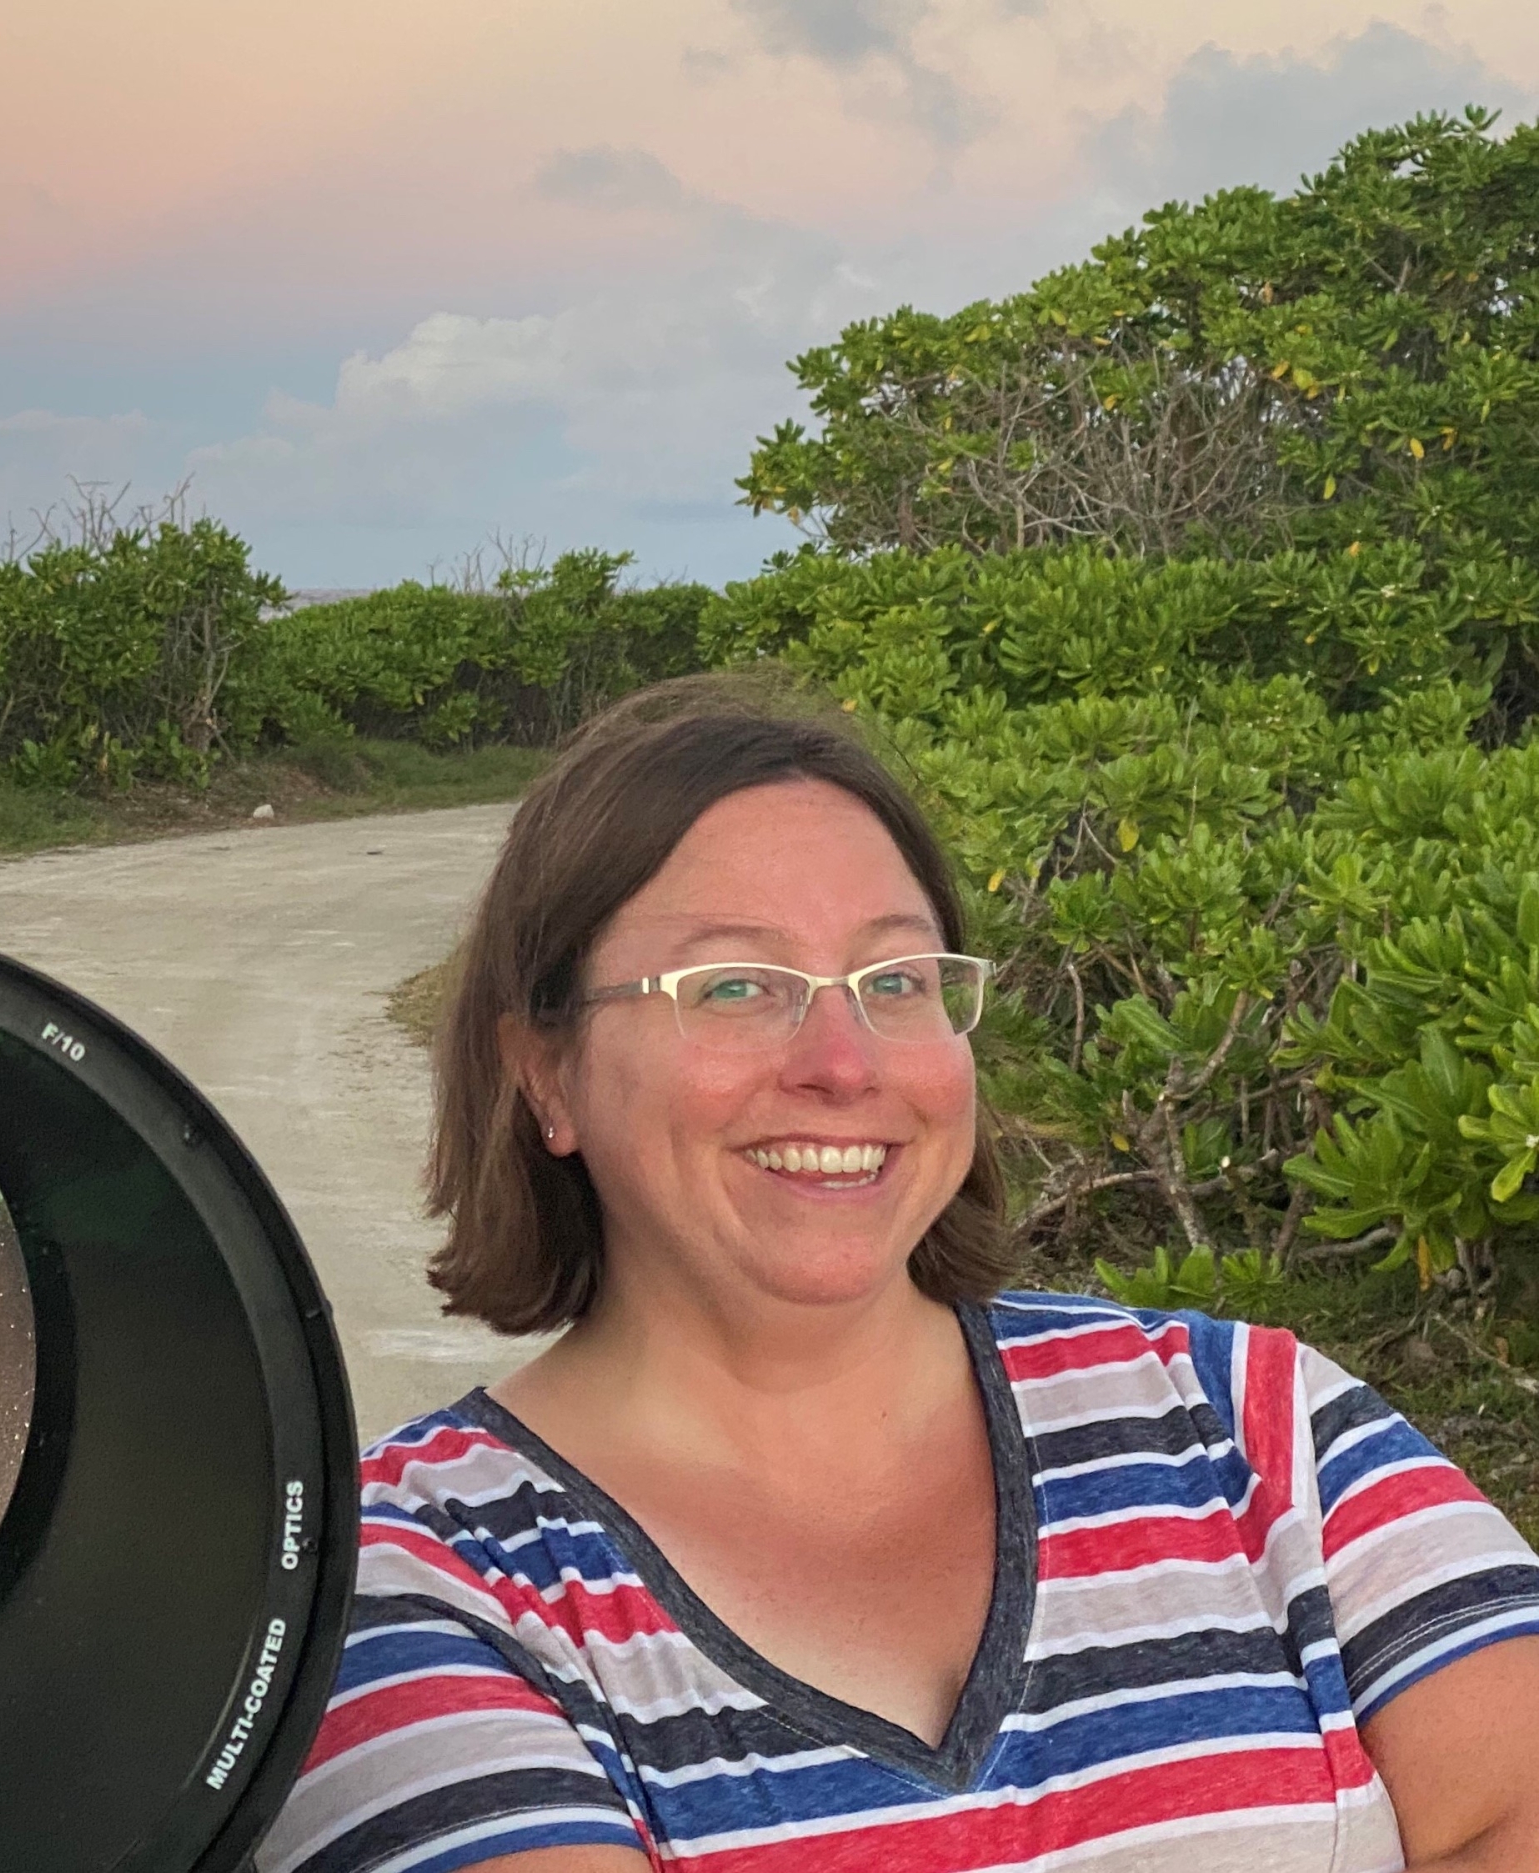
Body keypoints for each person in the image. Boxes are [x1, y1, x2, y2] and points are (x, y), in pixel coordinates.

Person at [259, 676, 1539, 1873]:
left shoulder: (1247, 1422)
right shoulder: (393, 1579)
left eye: (896, 978)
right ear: (545, 1070)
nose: (843, 1061)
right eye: (735, 984)